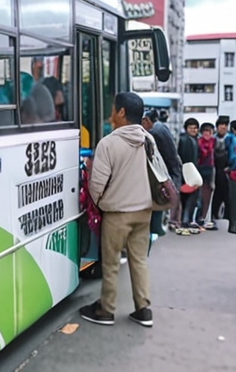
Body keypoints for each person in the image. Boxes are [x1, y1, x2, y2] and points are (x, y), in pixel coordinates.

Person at [80, 92, 156, 328]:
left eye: (114, 109)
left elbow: (96, 185)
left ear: (122, 112)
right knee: (139, 260)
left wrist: (102, 204)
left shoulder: (108, 143)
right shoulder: (148, 140)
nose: (111, 113)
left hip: (117, 213)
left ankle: (106, 309)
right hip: (144, 211)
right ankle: (143, 309)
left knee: (111, 263)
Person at [142, 109, 182, 235]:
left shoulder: (154, 131)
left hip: (162, 171)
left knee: (159, 199)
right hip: (169, 168)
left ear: (146, 120)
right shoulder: (160, 127)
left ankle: (157, 228)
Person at [177, 118, 201, 233]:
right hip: (189, 172)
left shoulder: (191, 139)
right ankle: (186, 220)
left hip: (188, 172)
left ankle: (185, 219)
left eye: (195, 128)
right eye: (191, 128)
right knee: (190, 196)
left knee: (187, 197)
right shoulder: (186, 140)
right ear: (186, 129)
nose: (193, 130)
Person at [212, 117, 232, 221]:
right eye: (221, 125)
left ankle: (227, 214)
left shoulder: (230, 138)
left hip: (226, 168)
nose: (223, 127)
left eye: (225, 125)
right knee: (217, 192)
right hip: (214, 168)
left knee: (226, 192)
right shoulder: (213, 138)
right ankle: (214, 213)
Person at [197, 122, 216, 229]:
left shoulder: (214, 142)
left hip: (210, 169)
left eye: (209, 131)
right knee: (198, 194)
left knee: (207, 194)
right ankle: (197, 216)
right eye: (205, 131)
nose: (207, 133)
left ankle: (204, 217)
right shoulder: (198, 142)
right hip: (199, 168)